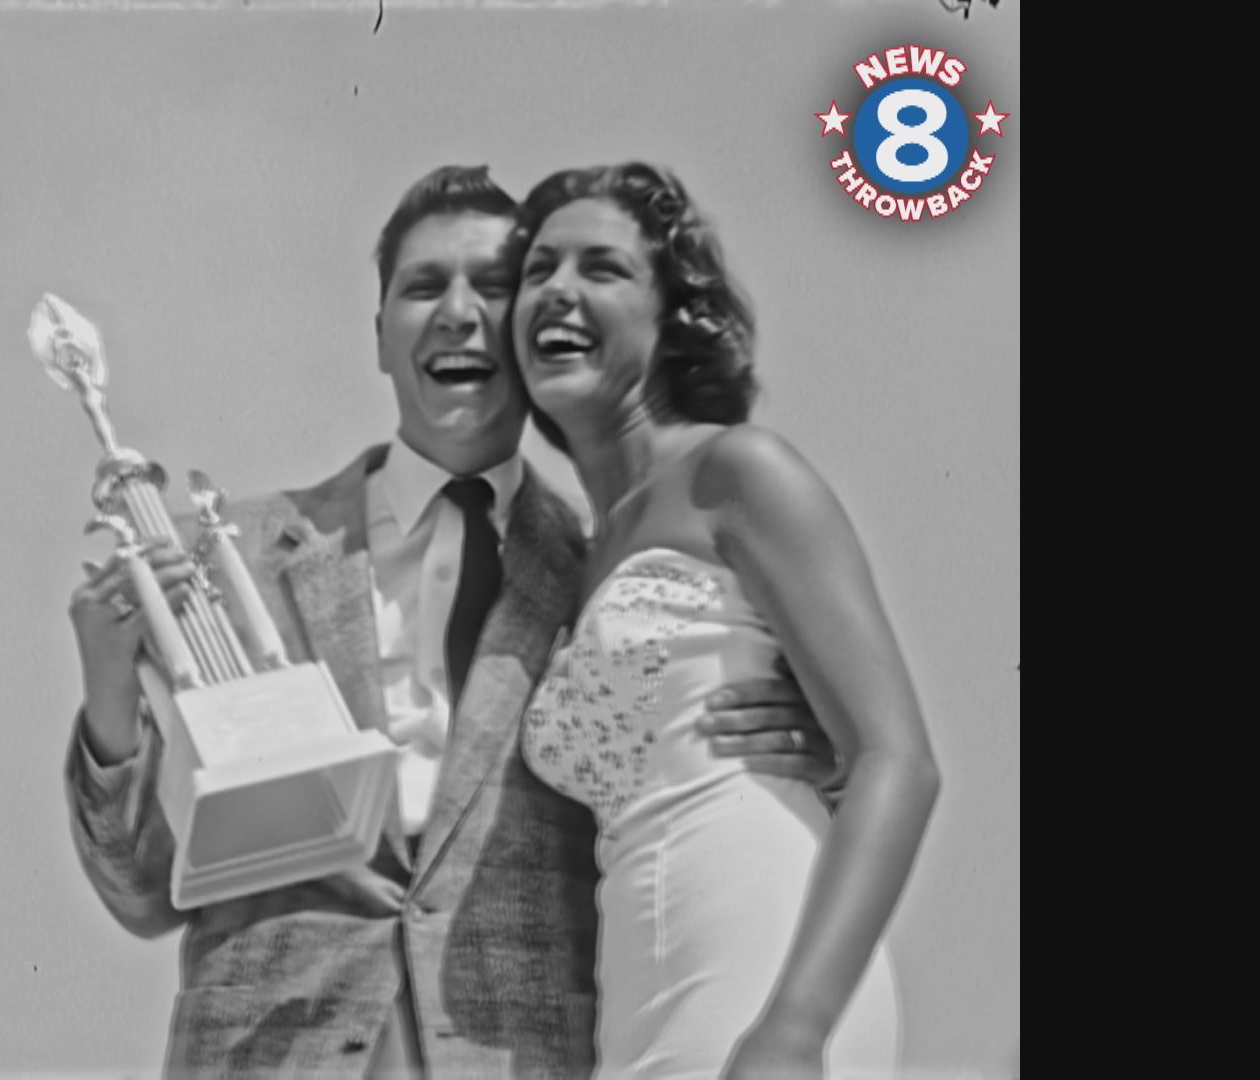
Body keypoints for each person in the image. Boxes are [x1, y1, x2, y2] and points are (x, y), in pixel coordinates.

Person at [64, 164, 842, 1078]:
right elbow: (144, 892)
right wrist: (111, 696)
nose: (458, 311)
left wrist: (799, 735)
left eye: (493, 286)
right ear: (381, 337)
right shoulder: (228, 561)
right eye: (424, 286)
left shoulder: (613, 584)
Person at [509, 163, 942, 1080]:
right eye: (539, 269)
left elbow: (896, 760)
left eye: (602, 268)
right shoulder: (582, 552)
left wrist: (795, 1032)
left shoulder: (738, 473)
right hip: (641, 994)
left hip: (762, 972)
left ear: (673, 315)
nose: (558, 291)